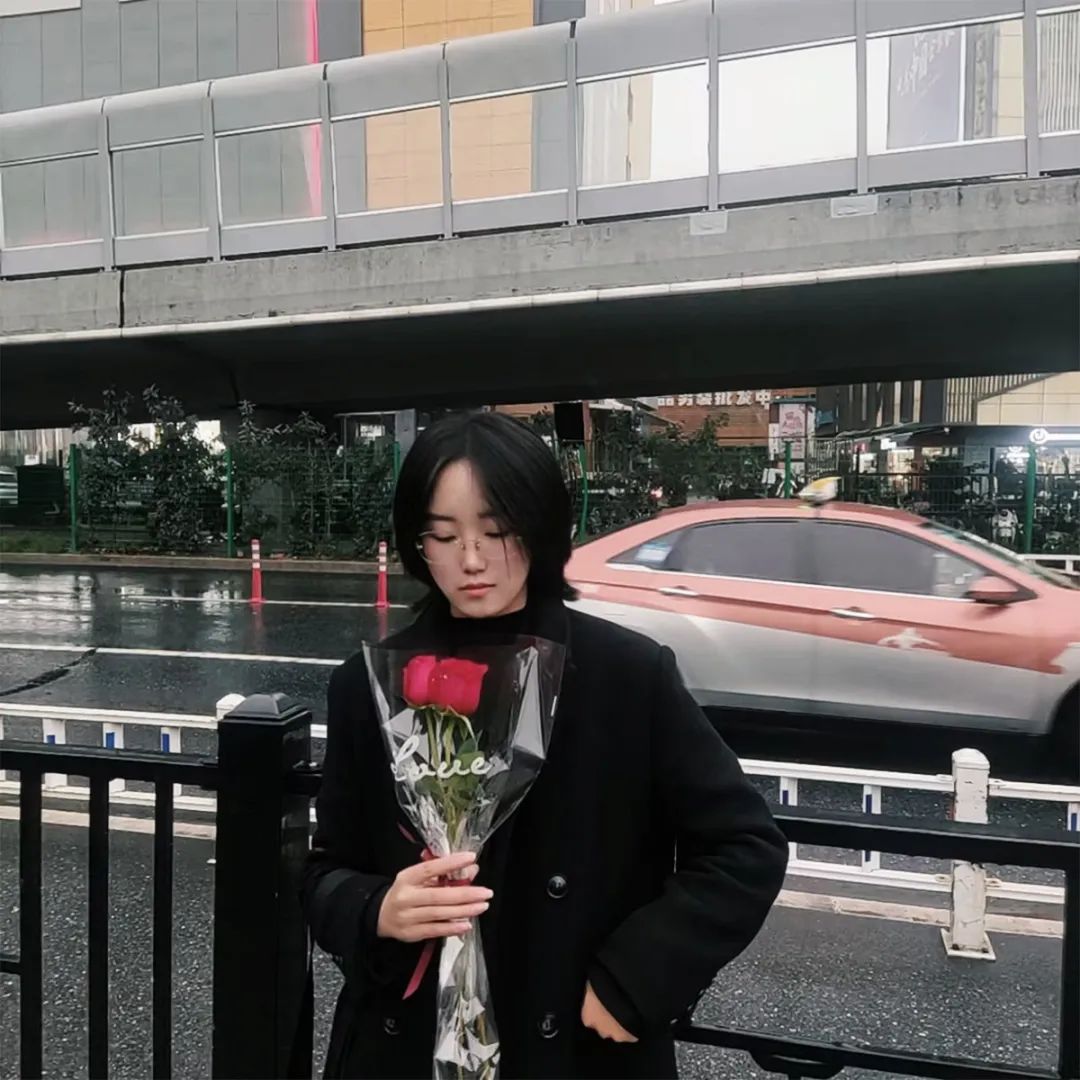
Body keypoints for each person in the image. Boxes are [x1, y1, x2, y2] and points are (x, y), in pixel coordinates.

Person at [302, 412, 788, 1080]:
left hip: (578, 1045)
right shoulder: (369, 685)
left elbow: (745, 847)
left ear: (539, 527)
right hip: (405, 1046)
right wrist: (376, 909)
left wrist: (636, 978)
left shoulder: (626, 675)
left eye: (497, 531)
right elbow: (325, 870)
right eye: (443, 535)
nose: (472, 560)